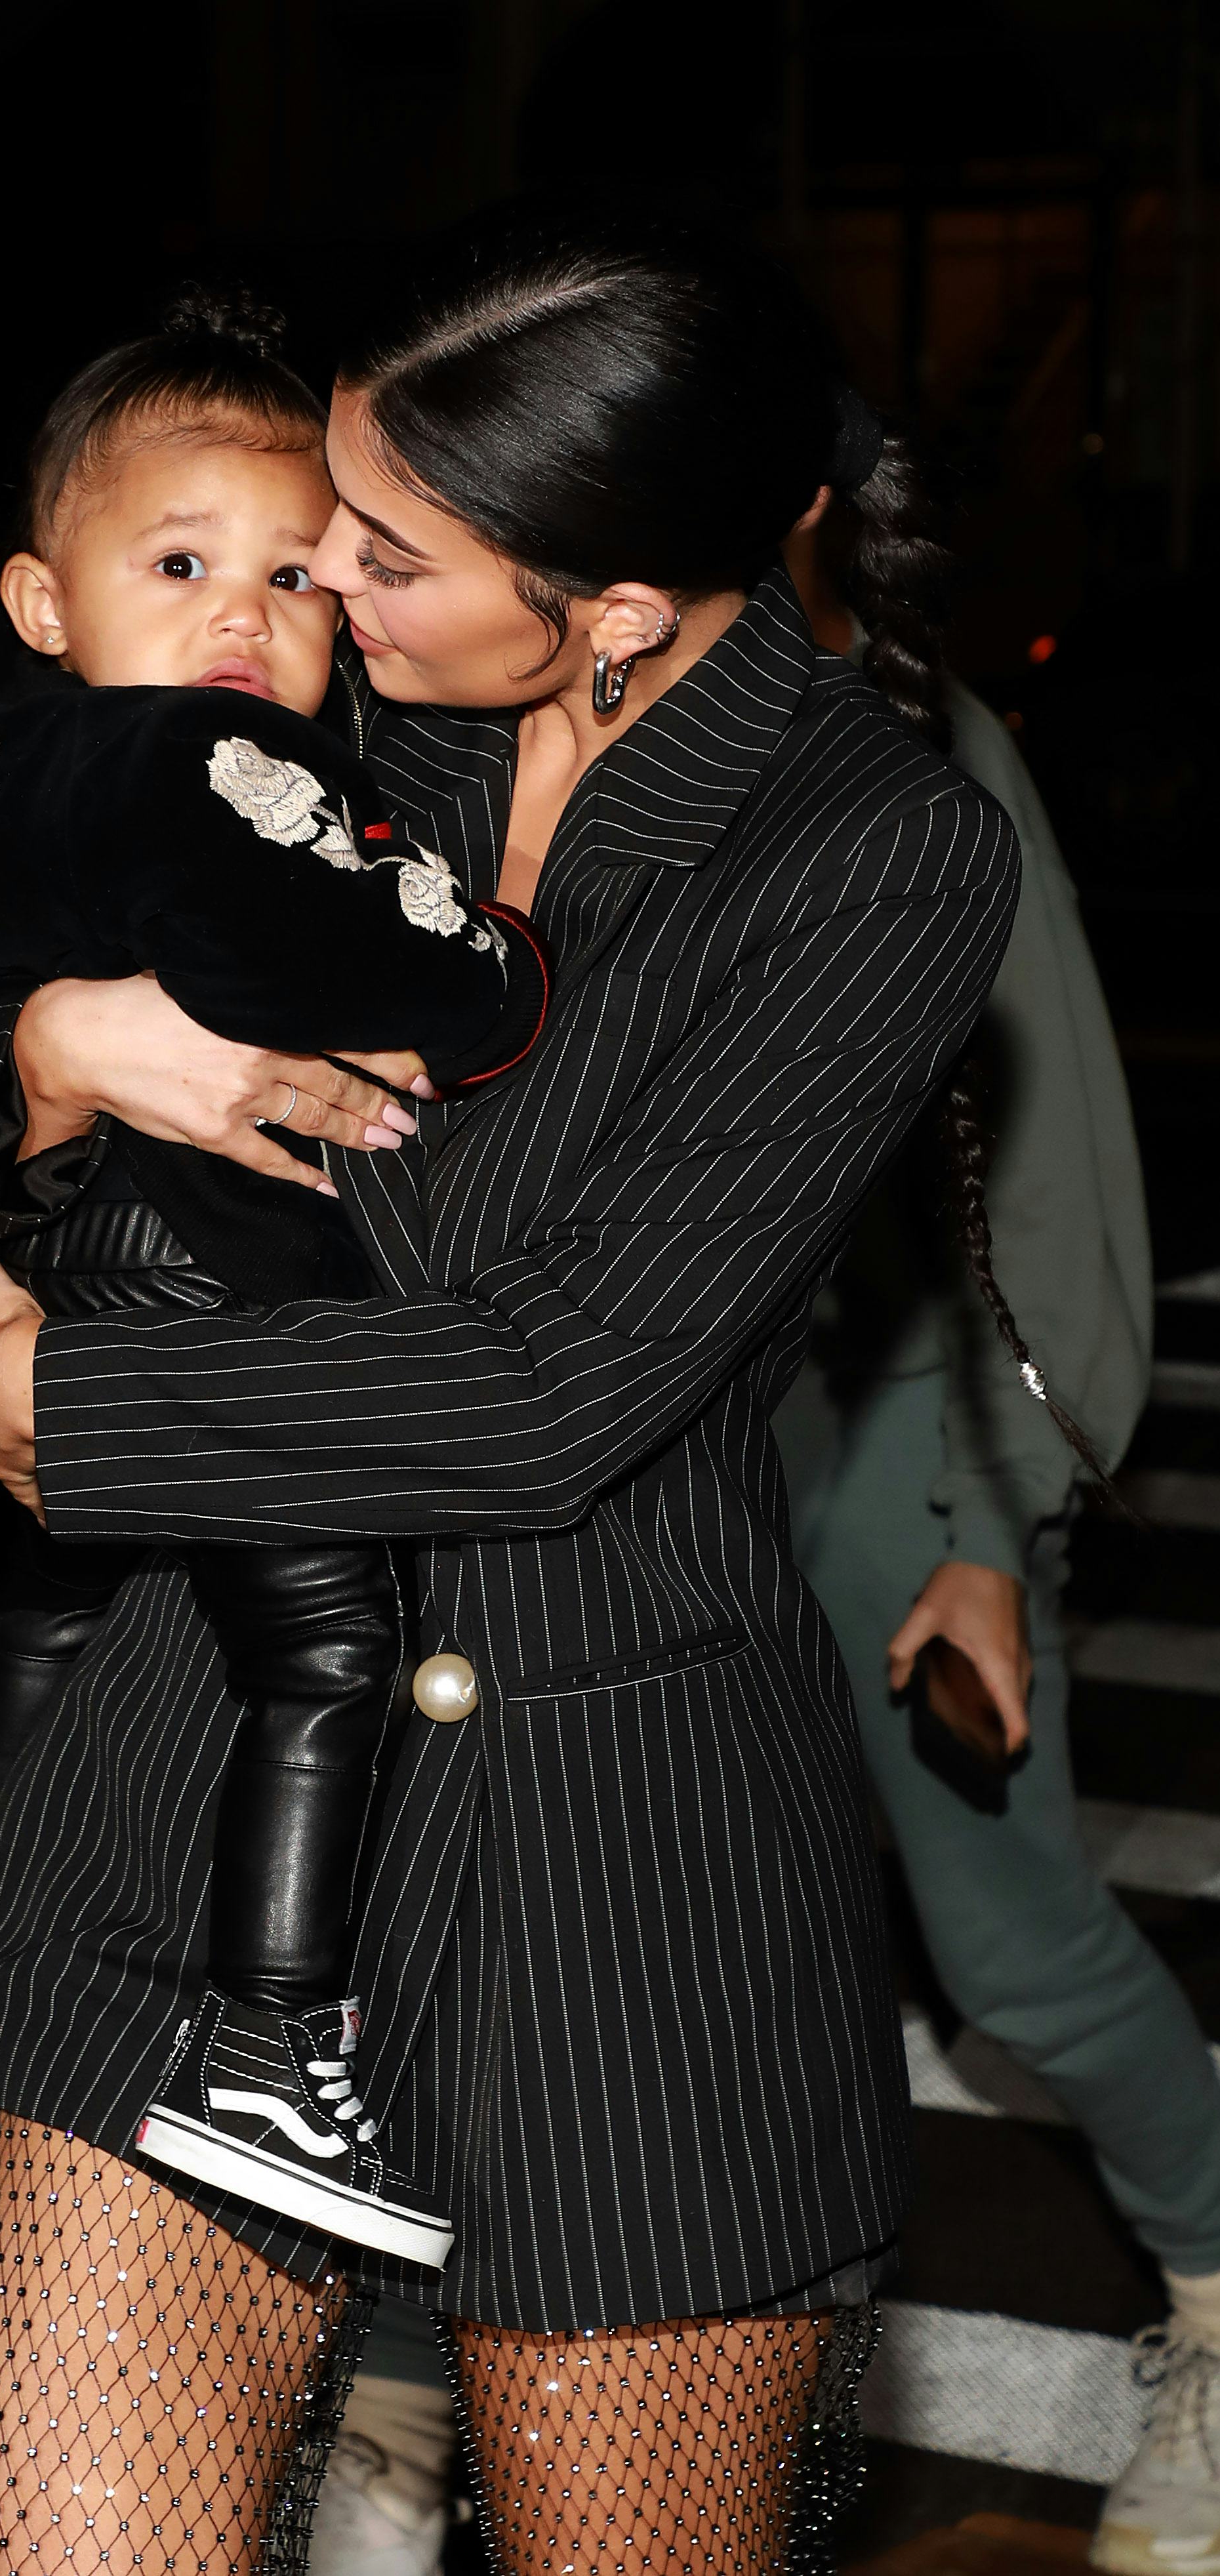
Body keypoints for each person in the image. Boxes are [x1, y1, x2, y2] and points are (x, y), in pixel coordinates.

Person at [0, 209, 1027, 2574]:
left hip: (626, 1870)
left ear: (608, 605)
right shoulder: (293, 708)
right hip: (201, 1783)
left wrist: (62, 1424)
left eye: (384, 552)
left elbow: (559, 1386)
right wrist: (44, 1065)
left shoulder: (872, 853)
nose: (314, 580)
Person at [0, 296, 551, 2268]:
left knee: (52, 1596)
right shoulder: (180, 779)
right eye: (182, 564)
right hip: (202, 1292)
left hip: (87, 1281)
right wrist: (476, 976)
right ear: (40, 602)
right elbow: (433, 991)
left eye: (295, 575)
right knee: (327, 1649)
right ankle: (274, 2040)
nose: (245, 614)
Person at [778, 506, 1220, 2576]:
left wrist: (992, 1517)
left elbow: (1037, 1147)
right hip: (656, 1430)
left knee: (1007, 1948)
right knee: (550, 1928)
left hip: (899, 1421)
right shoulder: (525, 715)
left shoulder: (909, 736)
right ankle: (422, 2400)